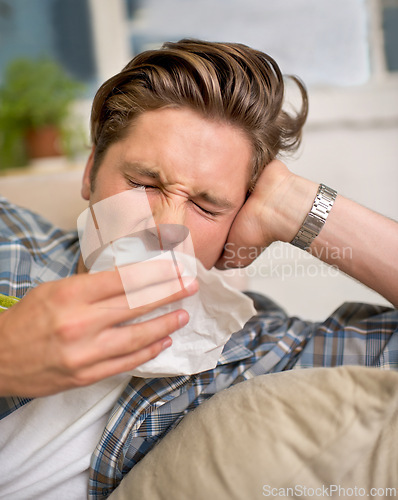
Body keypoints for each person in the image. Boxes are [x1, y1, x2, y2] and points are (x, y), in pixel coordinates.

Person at [0, 39, 397, 498]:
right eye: (144, 183)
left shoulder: (253, 352)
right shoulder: (9, 238)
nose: (166, 228)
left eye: (207, 207)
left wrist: (302, 208)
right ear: (90, 173)